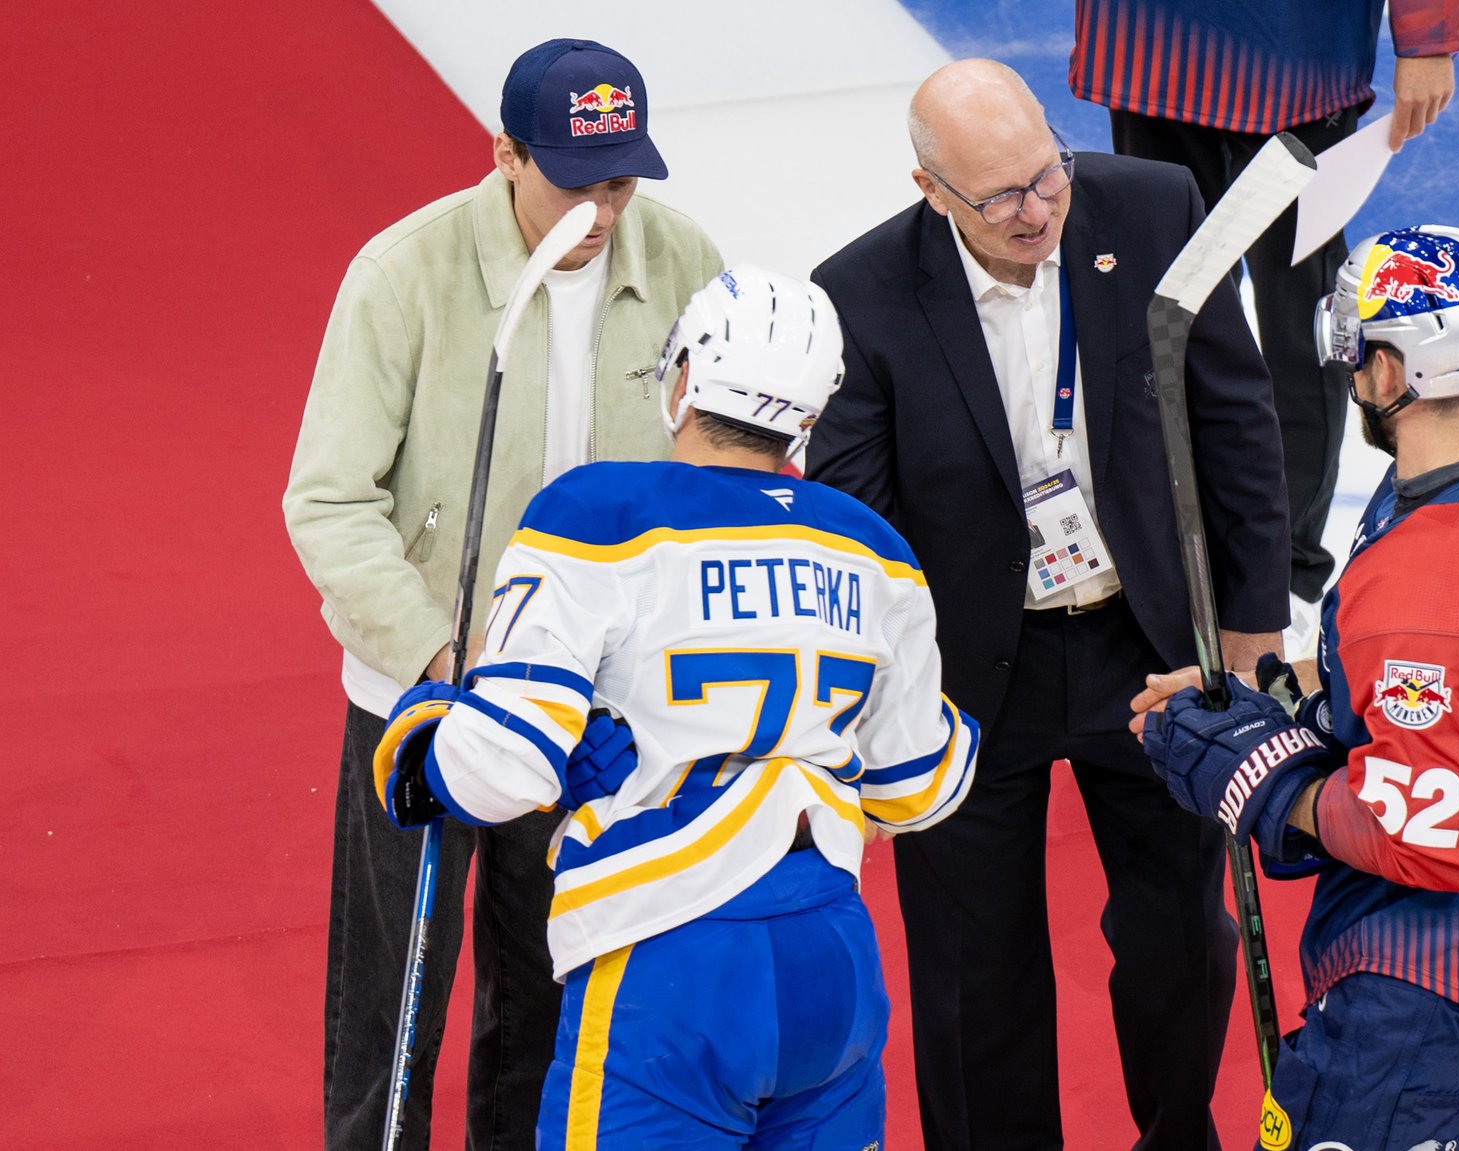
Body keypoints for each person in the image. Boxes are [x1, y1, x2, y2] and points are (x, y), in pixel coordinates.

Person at [370, 266, 979, 1148]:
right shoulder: (875, 547)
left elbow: (505, 763)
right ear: (809, 417)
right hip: (834, 959)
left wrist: (421, 753)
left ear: (684, 376)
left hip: (668, 956)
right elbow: (920, 787)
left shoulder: (595, 511)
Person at [805, 58, 1290, 1151]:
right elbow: (856, 524)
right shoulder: (859, 296)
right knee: (978, 970)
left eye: (1047, 177)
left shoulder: (1154, 207)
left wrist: (1253, 623)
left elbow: (1235, 415)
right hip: (969, 674)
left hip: (1147, 640)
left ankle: (1178, 1135)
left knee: (1182, 938)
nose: (1037, 211)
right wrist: (879, 699)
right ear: (931, 190)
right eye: (1000, 197)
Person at [281, 38, 723, 1149]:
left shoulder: (682, 262)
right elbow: (327, 501)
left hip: (591, 708)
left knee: (546, 982)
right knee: (393, 999)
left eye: (624, 178)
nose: (606, 207)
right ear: (507, 156)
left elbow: (718, 471)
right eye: (580, 182)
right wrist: (443, 658)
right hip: (425, 698)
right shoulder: (405, 273)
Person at [1134, 226, 1459, 1149]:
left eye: (1357, 344)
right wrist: (1274, 689)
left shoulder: (1418, 579)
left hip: (1432, 984)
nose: (1347, 366)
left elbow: (1429, 836)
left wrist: (1259, 775)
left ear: (1398, 372)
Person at [1071, 0, 1459, 661]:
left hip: (1299, 55)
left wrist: (1430, 34)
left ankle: (1285, 574)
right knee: (1173, 314)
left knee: (1302, 326)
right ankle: (1173, 553)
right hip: (1154, 41)